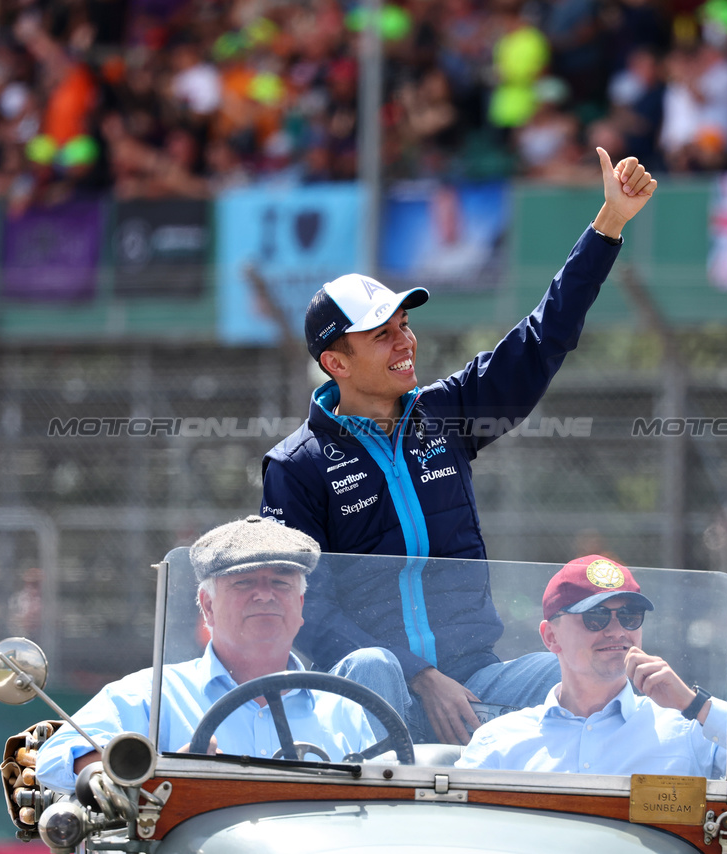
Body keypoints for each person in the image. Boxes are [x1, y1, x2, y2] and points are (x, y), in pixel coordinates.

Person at [260, 147, 657, 746]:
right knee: (374, 666)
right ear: (336, 362)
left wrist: (610, 224)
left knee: (578, 671)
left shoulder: (444, 415)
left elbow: (542, 339)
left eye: (405, 326)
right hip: (370, 692)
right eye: (383, 335)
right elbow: (301, 609)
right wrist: (419, 676)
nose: (405, 342)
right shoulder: (296, 466)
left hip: (475, 681)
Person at [35, 516, 403, 793]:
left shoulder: (343, 709)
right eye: (244, 582)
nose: (264, 594)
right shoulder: (153, 694)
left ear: (301, 604)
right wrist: (155, 775)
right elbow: (56, 759)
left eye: (280, 582)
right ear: (207, 607)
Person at [456, 556, 727, 797]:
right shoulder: (500, 742)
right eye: (596, 617)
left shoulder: (685, 728)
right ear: (551, 636)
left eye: (630, 617)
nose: (617, 630)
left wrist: (693, 704)